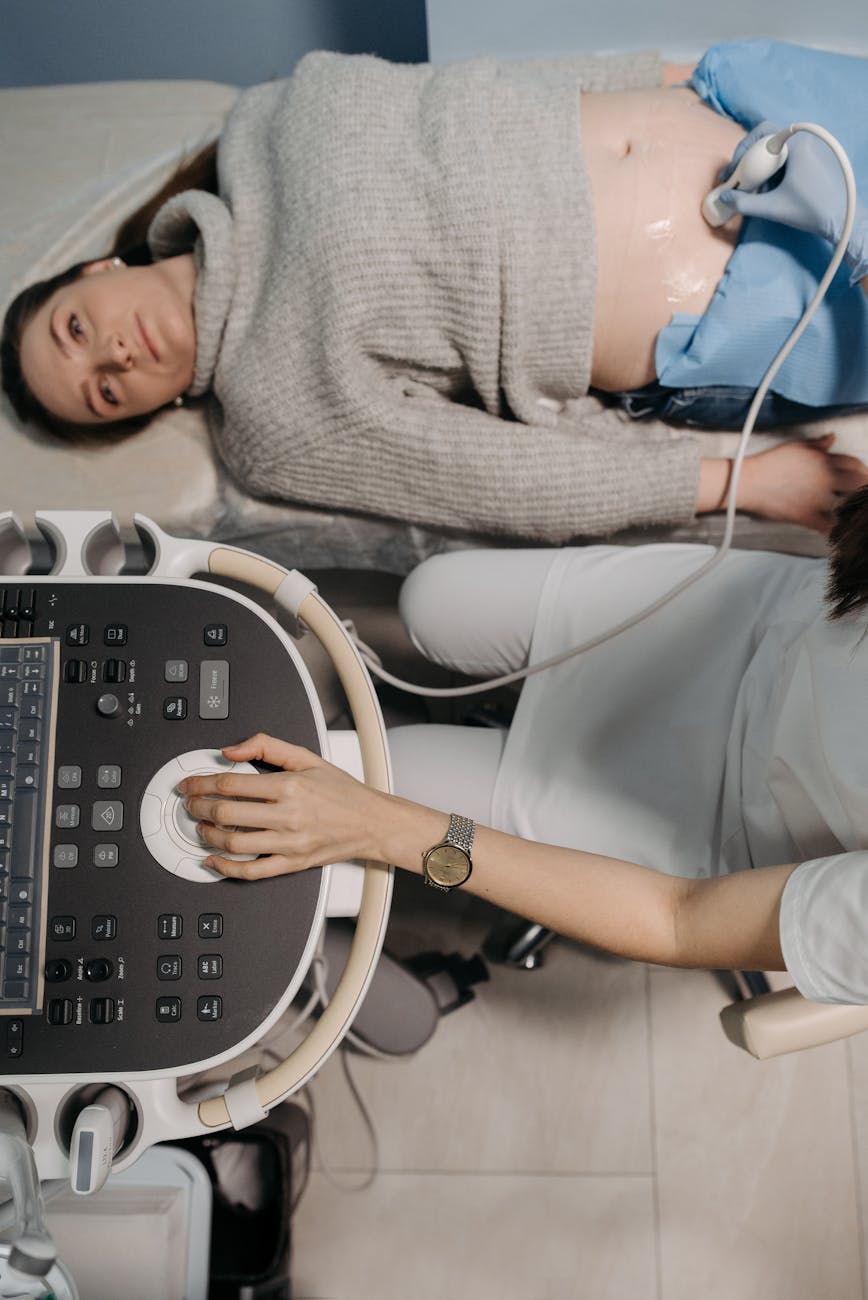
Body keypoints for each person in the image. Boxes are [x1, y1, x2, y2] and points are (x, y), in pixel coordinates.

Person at [4, 44, 868, 541]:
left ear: (98, 272)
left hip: (763, 113)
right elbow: (499, 477)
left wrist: (682, 71)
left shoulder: (267, 117)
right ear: (138, 408)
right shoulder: (270, 419)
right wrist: (743, 482)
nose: (112, 356)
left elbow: (505, 81)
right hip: (758, 315)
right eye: (104, 395)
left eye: (76, 331)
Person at [176, 484, 868, 1006]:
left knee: (388, 769)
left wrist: (383, 828)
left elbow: (682, 921)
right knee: (434, 602)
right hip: (757, 627)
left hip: (718, 834)